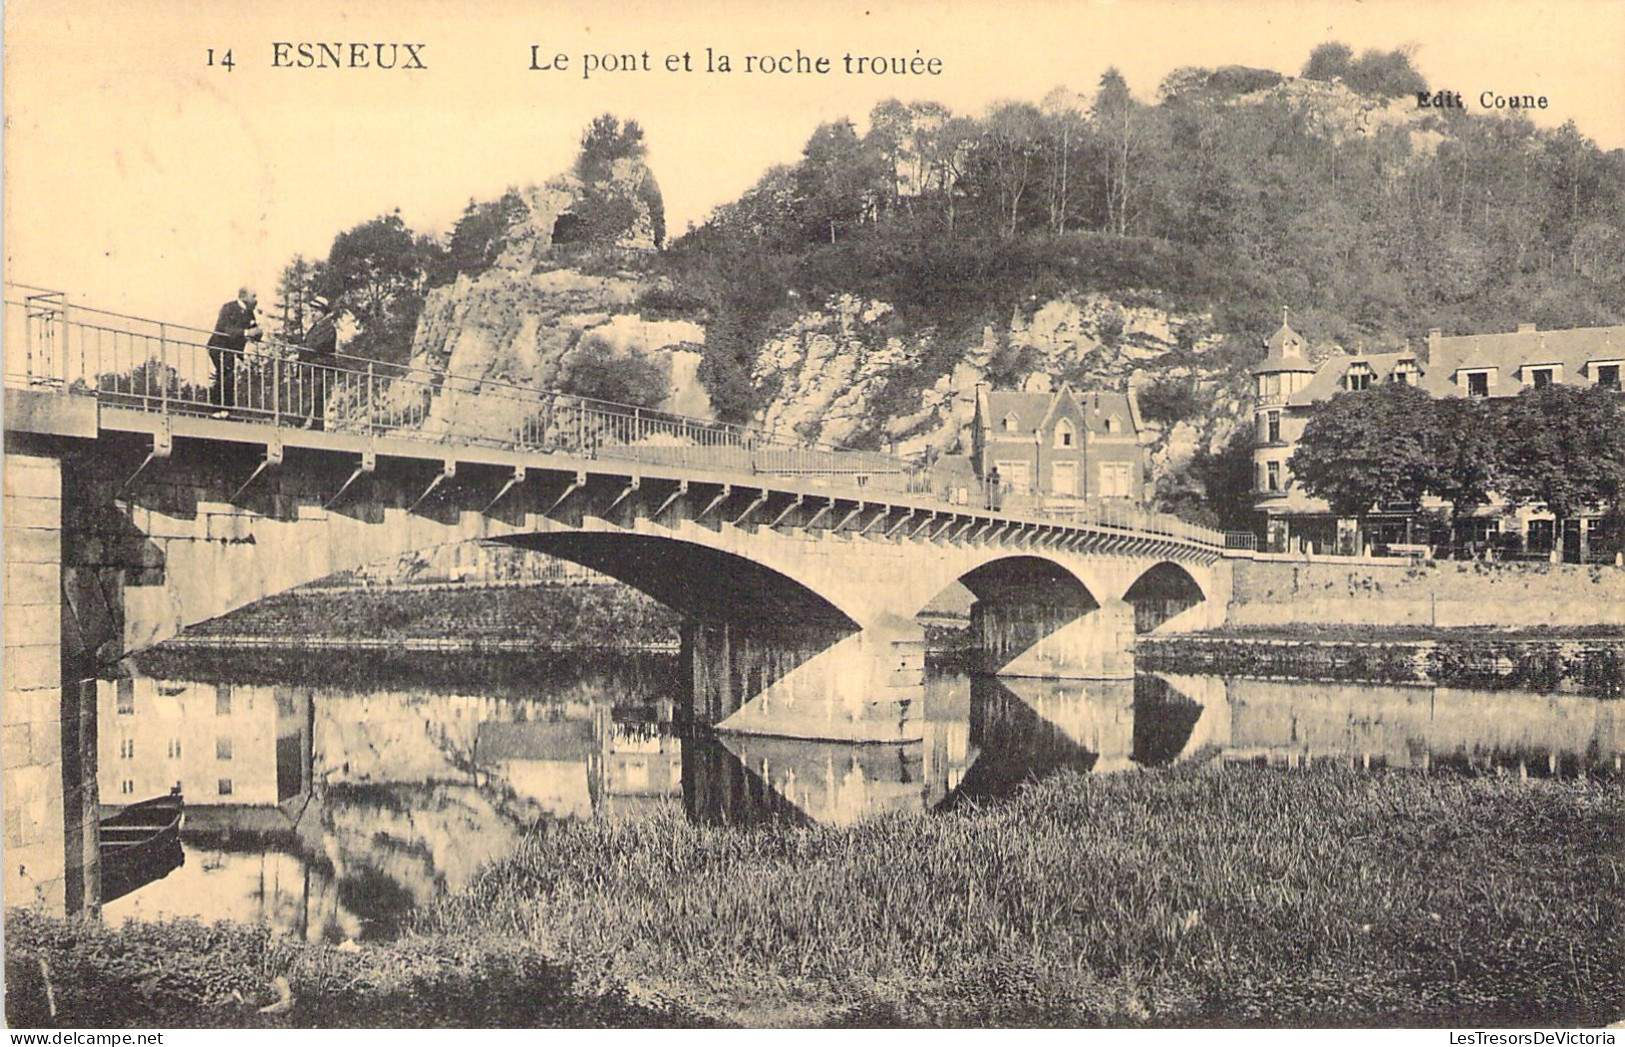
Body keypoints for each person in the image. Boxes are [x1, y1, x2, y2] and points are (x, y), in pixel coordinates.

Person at [206, 287, 261, 417]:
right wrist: (246, 332)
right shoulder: (229, 308)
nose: (256, 300)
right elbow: (224, 328)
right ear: (243, 296)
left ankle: (225, 409)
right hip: (219, 346)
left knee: (228, 374)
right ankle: (218, 408)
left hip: (230, 350)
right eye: (253, 296)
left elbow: (253, 329)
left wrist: (258, 332)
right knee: (225, 373)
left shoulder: (249, 313)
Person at [297, 297, 338, 430]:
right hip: (312, 368)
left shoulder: (328, 327)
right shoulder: (315, 327)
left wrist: (300, 348)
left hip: (321, 368)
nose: (313, 314)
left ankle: (312, 425)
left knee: (316, 398)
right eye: (311, 311)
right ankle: (312, 425)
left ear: (324, 312)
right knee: (311, 397)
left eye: (316, 311)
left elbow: (317, 346)